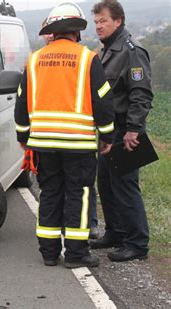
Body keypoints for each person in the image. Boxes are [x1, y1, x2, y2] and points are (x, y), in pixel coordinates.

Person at [14, 2, 115, 268]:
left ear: (53, 32)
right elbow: (102, 101)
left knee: (49, 193)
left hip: (43, 144)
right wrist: (107, 136)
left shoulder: (34, 60)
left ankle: (48, 252)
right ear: (76, 32)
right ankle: (75, 254)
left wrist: (23, 136)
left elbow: (21, 103)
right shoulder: (87, 59)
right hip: (78, 144)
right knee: (78, 196)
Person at [89, 0, 153, 262]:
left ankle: (137, 242)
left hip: (126, 129)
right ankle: (115, 232)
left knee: (125, 186)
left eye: (103, 21)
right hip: (110, 130)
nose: (98, 26)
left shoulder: (131, 51)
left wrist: (134, 130)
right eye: (96, 22)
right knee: (105, 182)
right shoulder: (108, 51)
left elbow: (142, 94)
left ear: (118, 21)